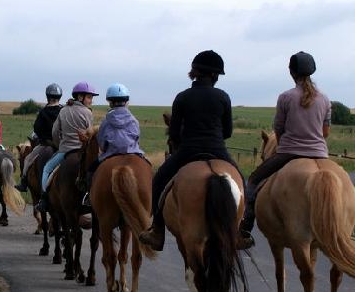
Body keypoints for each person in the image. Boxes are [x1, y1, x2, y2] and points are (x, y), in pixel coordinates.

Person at [139, 50, 240, 252]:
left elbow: (174, 133)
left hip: (187, 151)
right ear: (214, 75)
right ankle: (240, 229)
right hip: (218, 150)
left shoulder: (183, 97)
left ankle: (157, 230)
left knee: (159, 180)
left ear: (195, 73)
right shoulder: (223, 97)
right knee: (241, 182)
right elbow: (227, 131)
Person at [237, 51, 331, 249]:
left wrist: (285, 145)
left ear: (291, 73)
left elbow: (278, 130)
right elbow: (325, 132)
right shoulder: (325, 99)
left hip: (289, 152)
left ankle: (245, 228)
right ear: (312, 72)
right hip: (321, 153)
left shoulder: (285, 97)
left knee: (253, 180)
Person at [35, 81, 97, 212]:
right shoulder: (88, 113)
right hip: (82, 151)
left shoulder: (63, 111)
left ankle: (44, 199)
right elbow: (90, 135)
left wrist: (59, 145)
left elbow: (55, 132)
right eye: (89, 97)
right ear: (80, 97)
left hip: (65, 151)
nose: (91, 100)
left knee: (47, 169)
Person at [80, 83, 144, 207]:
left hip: (110, 155)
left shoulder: (106, 121)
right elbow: (137, 138)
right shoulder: (134, 120)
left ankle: (89, 195)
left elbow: (102, 143)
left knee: (91, 171)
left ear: (110, 102)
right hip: (133, 153)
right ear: (126, 101)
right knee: (148, 168)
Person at [15, 83, 63, 192]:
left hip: (45, 144)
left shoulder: (43, 112)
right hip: (62, 144)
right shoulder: (63, 110)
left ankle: (23, 183)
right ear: (60, 96)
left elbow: (37, 129)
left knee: (27, 160)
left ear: (47, 96)